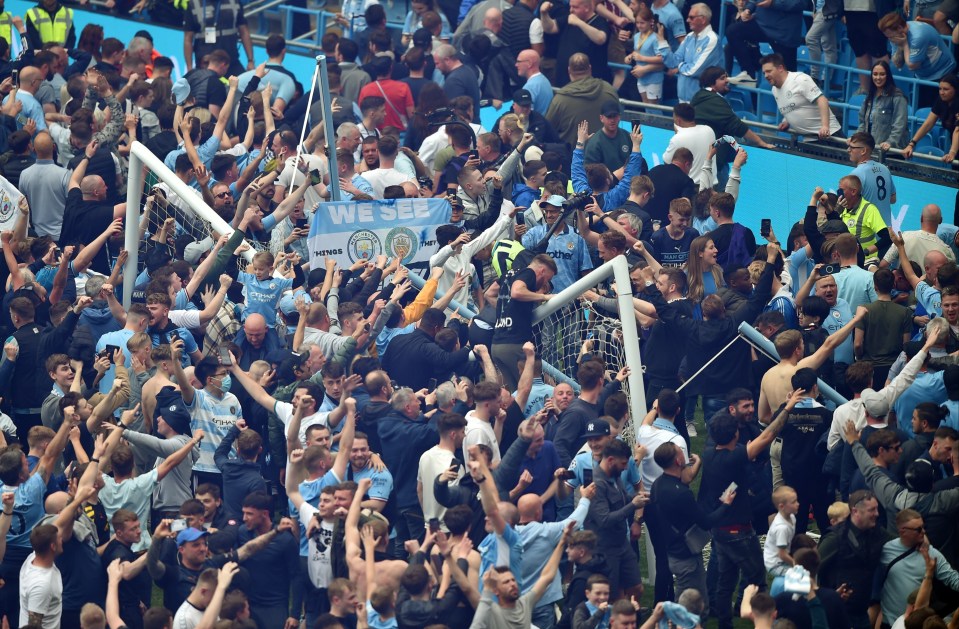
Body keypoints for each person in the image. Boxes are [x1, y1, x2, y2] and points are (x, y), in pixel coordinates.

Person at [650, 441, 735, 609]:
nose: (684, 454)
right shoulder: (681, 493)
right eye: (680, 453)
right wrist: (726, 504)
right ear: (677, 461)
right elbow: (706, 522)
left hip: (673, 552)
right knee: (692, 607)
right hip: (686, 558)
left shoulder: (658, 484)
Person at [545, 54, 620, 147]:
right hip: (605, 155)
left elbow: (547, 130)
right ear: (590, 68)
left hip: (572, 157)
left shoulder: (560, 100)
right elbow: (619, 118)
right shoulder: (609, 90)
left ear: (569, 70)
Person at [762, 53, 841, 140]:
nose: (765, 76)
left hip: (829, 135)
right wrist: (786, 121)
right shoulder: (774, 90)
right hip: (808, 139)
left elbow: (822, 100)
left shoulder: (799, 79)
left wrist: (825, 126)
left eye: (769, 71)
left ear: (780, 68)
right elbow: (793, 106)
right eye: (764, 73)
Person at [656, 3, 722, 102]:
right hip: (683, 98)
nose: (687, 20)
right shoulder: (689, 37)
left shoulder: (712, 39)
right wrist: (662, 41)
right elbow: (672, 63)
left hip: (702, 101)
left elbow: (694, 70)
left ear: (703, 19)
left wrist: (679, 66)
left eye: (691, 18)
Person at [540, 0, 610, 88]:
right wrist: (544, 14)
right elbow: (550, 28)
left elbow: (601, 38)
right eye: (570, 6)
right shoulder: (569, 18)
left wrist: (579, 23)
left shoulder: (599, 22)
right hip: (563, 80)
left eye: (575, 7)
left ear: (587, 8)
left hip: (588, 84)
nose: (571, 10)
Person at [879, 12, 956, 85]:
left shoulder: (918, 36)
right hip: (922, 75)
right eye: (888, 37)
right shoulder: (897, 36)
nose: (890, 40)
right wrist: (900, 47)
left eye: (891, 37)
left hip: (943, 72)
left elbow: (912, 66)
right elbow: (897, 63)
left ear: (899, 28)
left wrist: (905, 45)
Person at [183, 0, 254, 75]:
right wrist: (189, 67)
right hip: (205, 65)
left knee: (243, 84)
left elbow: (244, 32)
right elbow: (188, 39)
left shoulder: (234, 2)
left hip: (231, 62)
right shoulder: (193, 4)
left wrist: (250, 61)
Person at [857, 61, 910, 152]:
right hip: (872, 150)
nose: (878, 78)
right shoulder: (869, 97)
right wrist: (856, 138)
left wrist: (890, 142)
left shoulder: (897, 96)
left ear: (888, 76)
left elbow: (899, 124)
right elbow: (863, 123)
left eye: (882, 74)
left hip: (892, 152)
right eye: (875, 74)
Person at [847, 132, 896, 224]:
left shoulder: (856, 174)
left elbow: (847, 204)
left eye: (852, 147)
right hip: (885, 231)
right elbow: (893, 199)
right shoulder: (884, 169)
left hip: (866, 232)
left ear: (863, 151)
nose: (848, 150)